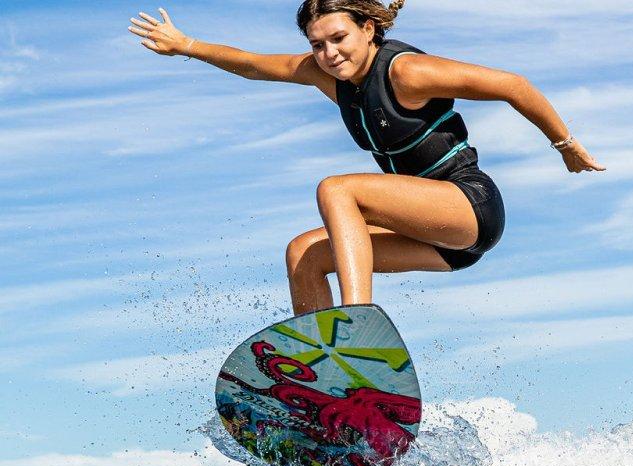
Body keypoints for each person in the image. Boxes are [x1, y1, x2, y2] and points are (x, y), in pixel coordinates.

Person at [129, 1, 604, 315]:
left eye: (338, 38)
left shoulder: (407, 72)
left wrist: (565, 145)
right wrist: (187, 46)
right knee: (304, 254)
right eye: (317, 44)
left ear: (368, 28)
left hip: (469, 207)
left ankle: (357, 328)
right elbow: (253, 64)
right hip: (432, 239)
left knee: (339, 189)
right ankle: (326, 375)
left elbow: (512, 85)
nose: (329, 53)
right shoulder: (324, 74)